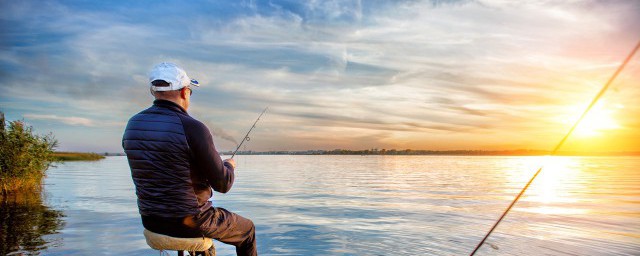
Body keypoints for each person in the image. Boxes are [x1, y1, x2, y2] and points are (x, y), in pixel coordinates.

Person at [122, 62, 257, 256]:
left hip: (151, 220)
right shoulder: (193, 127)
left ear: (154, 92)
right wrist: (229, 165)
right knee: (247, 230)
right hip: (190, 221)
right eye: (190, 92)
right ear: (185, 92)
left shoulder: (132, 125)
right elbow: (223, 184)